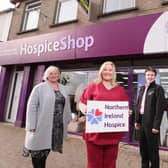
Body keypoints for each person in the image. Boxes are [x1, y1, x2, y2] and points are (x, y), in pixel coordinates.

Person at [79, 61, 129, 168]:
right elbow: (82, 103)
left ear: (113, 72)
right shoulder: (93, 86)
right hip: (94, 134)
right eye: (105, 69)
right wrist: (85, 109)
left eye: (110, 70)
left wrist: (127, 112)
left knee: (110, 165)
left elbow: (125, 107)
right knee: (94, 164)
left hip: (112, 135)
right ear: (101, 71)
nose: (107, 72)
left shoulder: (120, 90)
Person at [23, 66, 72, 168]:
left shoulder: (62, 88)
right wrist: (31, 125)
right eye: (51, 73)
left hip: (56, 127)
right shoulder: (39, 88)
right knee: (37, 154)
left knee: (46, 152)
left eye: (56, 73)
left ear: (59, 75)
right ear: (46, 75)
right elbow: (32, 106)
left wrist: (68, 119)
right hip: (41, 125)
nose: (54, 75)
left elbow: (66, 105)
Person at [134, 66, 166, 168]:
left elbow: (159, 109)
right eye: (148, 74)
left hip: (151, 124)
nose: (150, 76)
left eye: (152, 75)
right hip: (142, 123)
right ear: (145, 76)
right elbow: (139, 105)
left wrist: (156, 126)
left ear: (155, 76)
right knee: (143, 149)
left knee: (153, 151)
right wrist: (136, 120)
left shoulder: (158, 89)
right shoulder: (142, 89)